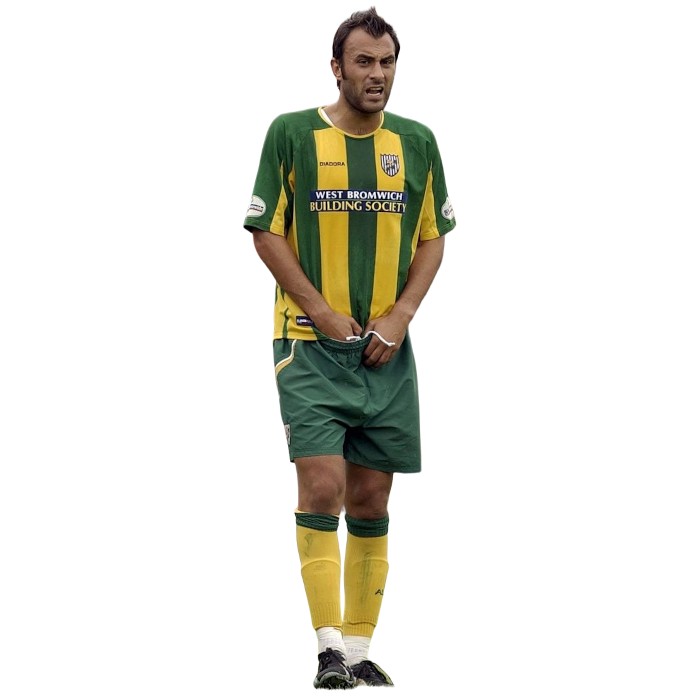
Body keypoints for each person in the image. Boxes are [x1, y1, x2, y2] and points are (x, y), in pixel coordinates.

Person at [243, 5, 457, 691]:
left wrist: (400, 315)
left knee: (371, 498)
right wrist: (320, 308)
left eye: (387, 62)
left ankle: (361, 655)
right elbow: (264, 232)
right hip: (308, 344)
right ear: (336, 67)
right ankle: (326, 648)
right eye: (364, 61)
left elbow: (434, 237)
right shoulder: (291, 132)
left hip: (387, 351)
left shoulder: (418, 141)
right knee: (323, 486)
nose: (378, 74)